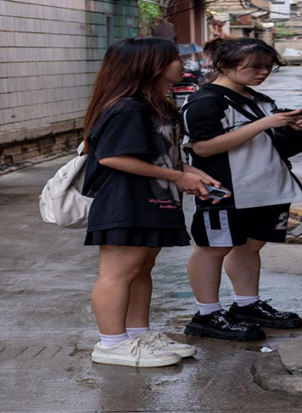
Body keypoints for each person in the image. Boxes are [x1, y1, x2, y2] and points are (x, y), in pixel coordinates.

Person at [82, 37, 225, 367]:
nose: (182, 64)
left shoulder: (155, 105)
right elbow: (113, 158)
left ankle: (138, 335)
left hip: (154, 200)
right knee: (117, 274)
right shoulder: (128, 107)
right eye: (174, 58)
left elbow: (159, 155)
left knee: (141, 270)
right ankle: (111, 344)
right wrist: (177, 177)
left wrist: (190, 173)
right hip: (125, 202)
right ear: (149, 65)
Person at [180, 38, 302, 341]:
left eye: (268, 67)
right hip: (225, 190)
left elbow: (273, 147)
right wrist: (264, 124)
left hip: (267, 187)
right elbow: (202, 148)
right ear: (224, 65)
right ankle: (207, 314)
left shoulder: (260, 100)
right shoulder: (205, 101)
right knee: (213, 249)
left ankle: (247, 304)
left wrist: (295, 131)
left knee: (250, 246)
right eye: (255, 67)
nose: (263, 72)